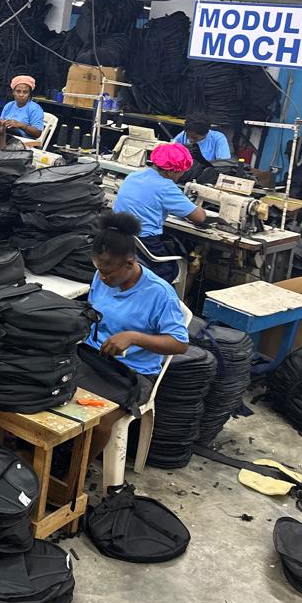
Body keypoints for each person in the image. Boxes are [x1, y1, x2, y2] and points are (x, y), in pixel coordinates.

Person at [79, 213, 190, 457]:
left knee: (100, 422)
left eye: (108, 273)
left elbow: (180, 343)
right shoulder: (103, 277)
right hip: (94, 359)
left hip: (134, 373)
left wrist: (134, 337)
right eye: (99, 271)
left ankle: (74, 473)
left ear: (129, 264)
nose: (102, 277)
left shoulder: (159, 293)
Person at [112, 142, 205, 282]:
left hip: (120, 242)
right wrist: (201, 208)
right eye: (181, 172)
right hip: (145, 245)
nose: (182, 175)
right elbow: (199, 218)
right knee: (176, 266)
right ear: (170, 172)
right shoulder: (166, 187)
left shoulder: (133, 176)